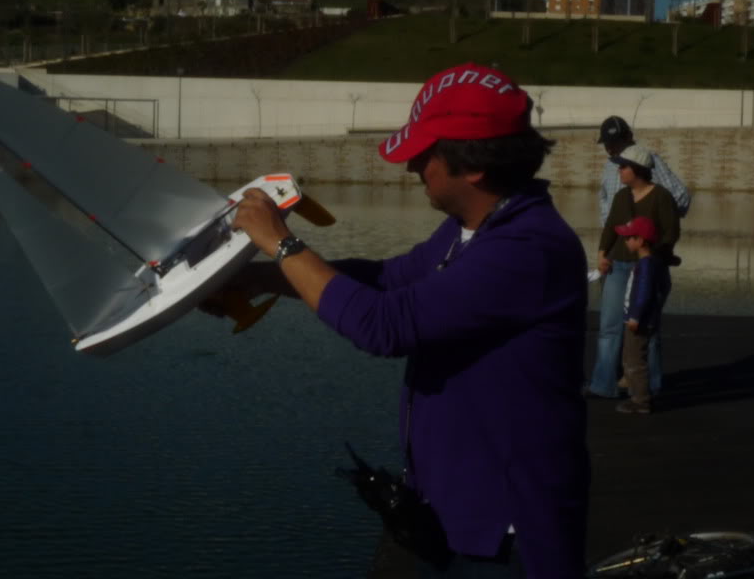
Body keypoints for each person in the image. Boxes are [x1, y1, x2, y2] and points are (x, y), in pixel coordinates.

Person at [229, 64, 590, 578]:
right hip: (456, 507)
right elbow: (388, 279)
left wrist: (283, 243)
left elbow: (383, 325)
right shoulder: (471, 230)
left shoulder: (528, 249)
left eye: (424, 154)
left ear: (472, 169)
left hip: (505, 529)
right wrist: (264, 278)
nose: (411, 167)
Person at [587, 144, 680, 400]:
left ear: (638, 170)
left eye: (623, 166)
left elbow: (671, 233)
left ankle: (650, 386)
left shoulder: (661, 197)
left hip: (648, 269)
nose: (619, 170)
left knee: (646, 330)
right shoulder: (621, 196)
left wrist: (652, 257)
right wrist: (602, 254)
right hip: (618, 265)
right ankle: (603, 384)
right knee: (609, 327)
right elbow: (610, 227)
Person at [613, 216, 671, 415]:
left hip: (639, 321)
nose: (626, 241)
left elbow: (643, 292)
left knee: (635, 360)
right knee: (631, 357)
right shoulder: (652, 263)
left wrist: (635, 316)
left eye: (630, 237)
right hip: (643, 318)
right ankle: (635, 391)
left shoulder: (645, 265)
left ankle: (641, 400)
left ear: (641, 240)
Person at [597, 115, 690, 228]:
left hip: (645, 240)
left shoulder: (648, 160)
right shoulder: (609, 165)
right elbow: (604, 198)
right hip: (618, 239)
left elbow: (681, 196)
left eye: (614, 143)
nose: (609, 149)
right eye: (607, 144)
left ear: (629, 137)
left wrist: (652, 223)